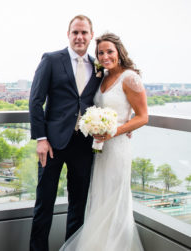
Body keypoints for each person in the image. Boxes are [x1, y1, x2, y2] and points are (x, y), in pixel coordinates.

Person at [60, 33, 148, 251]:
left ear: (119, 51)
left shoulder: (130, 78)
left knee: (114, 198)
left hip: (117, 149)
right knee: (99, 196)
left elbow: (143, 116)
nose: (105, 55)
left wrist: (117, 130)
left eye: (109, 51)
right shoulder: (103, 76)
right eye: (101, 52)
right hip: (99, 149)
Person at [29, 15, 103, 251]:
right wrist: (41, 138)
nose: (79, 37)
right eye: (75, 32)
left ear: (91, 36)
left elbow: (102, 101)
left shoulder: (98, 66)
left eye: (84, 33)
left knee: (78, 205)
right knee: (44, 203)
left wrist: (123, 125)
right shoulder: (51, 60)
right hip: (51, 144)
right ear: (68, 35)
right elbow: (35, 101)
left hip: (83, 145)